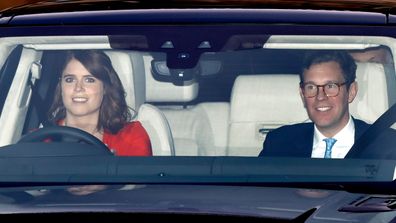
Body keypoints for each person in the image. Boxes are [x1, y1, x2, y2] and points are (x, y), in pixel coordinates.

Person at [259, 50, 370, 158]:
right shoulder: (279, 144)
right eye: (311, 87)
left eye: (330, 86)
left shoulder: (382, 144)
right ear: (302, 94)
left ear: (351, 92)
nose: (320, 97)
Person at [48, 50, 152, 156]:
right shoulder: (39, 139)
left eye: (89, 80)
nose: (78, 88)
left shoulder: (130, 137)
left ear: (105, 88)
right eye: (70, 80)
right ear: (61, 87)